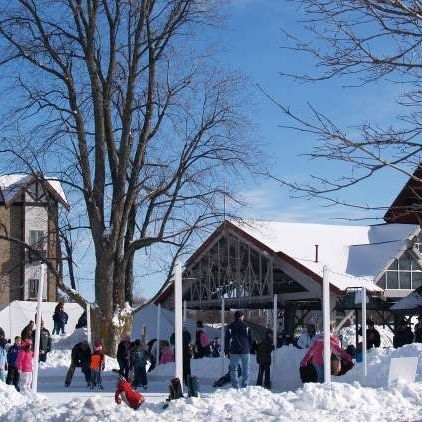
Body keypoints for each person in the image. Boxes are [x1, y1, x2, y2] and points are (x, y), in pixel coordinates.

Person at [225, 310, 252, 389]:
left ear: (235, 317)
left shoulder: (230, 327)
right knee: (246, 368)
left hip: (234, 350)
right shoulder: (247, 327)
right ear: (242, 317)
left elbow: (227, 340)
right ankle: (245, 386)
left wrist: (226, 351)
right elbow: (250, 339)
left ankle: (235, 386)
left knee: (233, 369)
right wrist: (248, 348)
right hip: (245, 350)